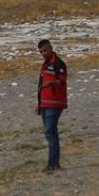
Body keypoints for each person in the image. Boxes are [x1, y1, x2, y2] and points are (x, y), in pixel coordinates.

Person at [36, 39, 68, 172]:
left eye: (45, 50)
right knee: (51, 133)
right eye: (41, 51)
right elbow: (40, 86)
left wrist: (53, 84)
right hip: (45, 104)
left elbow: (61, 81)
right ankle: (55, 163)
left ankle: (52, 164)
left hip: (55, 103)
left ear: (50, 48)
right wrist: (39, 104)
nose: (43, 53)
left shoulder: (58, 63)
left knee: (50, 132)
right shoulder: (45, 65)